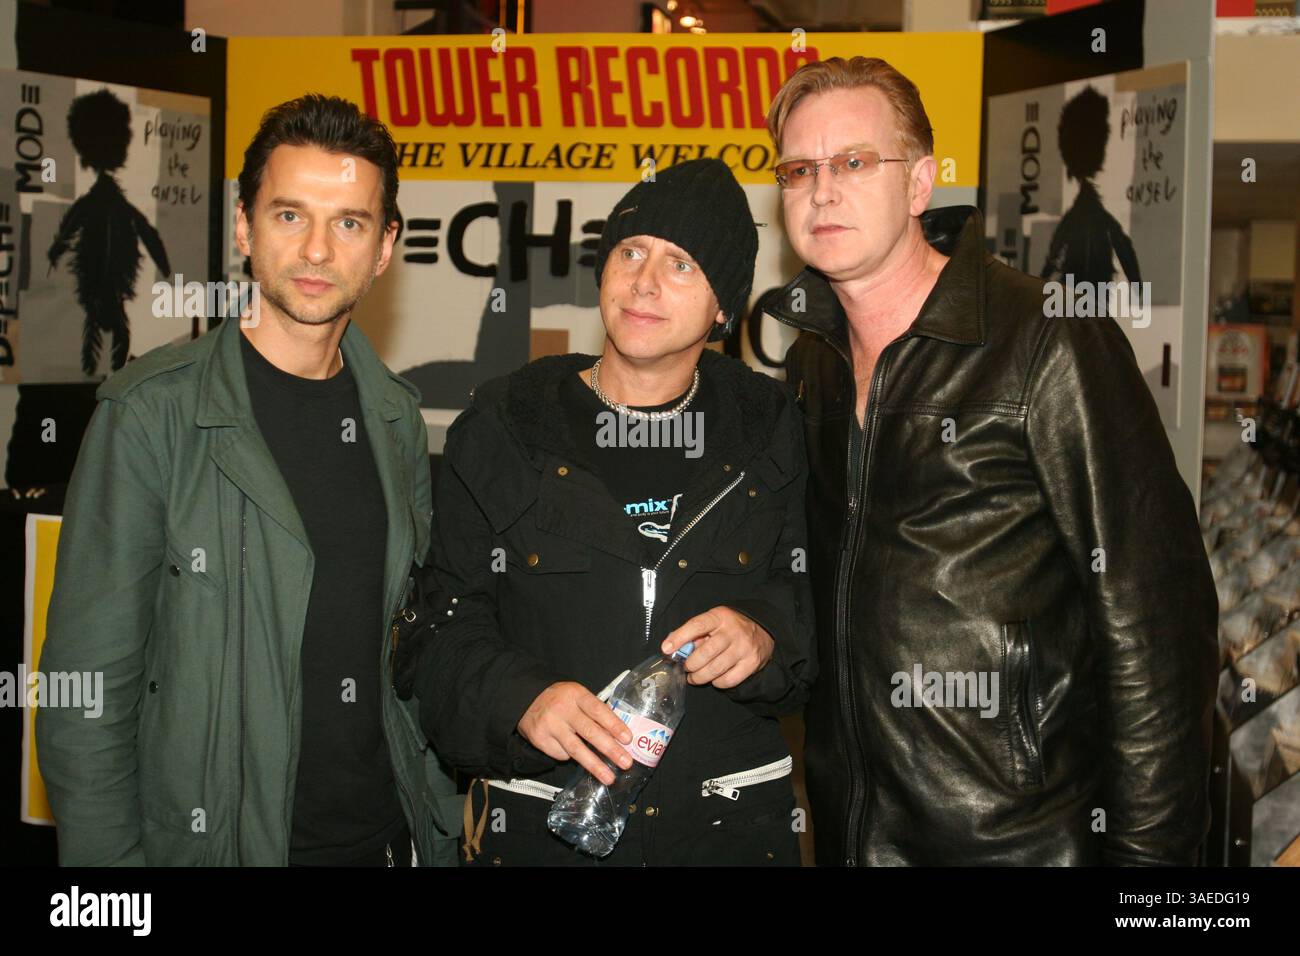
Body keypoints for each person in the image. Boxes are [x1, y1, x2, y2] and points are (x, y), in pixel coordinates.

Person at [762, 56, 1218, 865]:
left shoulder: (1045, 339)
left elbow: (1156, 622)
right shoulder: (815, 366)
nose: (822, 190)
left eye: (856, 162)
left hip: (1025, 845)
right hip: (852, 837)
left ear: (919, 184)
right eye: (801, 169)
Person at [37, 94, 461, 866]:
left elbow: (411, 654)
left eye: (351, 223)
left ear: (386, 246)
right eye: (290, 215)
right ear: (243, 226)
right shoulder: (150, 416)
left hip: (387, 842)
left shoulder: (396, 421)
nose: (319, 251)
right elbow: (83, 700)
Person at [406, 158, 815, 865]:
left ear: (724, 307)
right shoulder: (506, 427)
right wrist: (519, 699)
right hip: (542, 826)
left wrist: (768, 634)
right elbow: (437, 629)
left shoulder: (772, 433)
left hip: (726, 829)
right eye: (631, 251)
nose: (644, 281)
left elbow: (823, 608)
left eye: (682, 264)